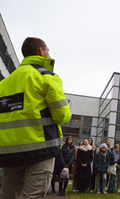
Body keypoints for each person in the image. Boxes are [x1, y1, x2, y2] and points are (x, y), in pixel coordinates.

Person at [0, 37, 71, 198]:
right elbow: (61, 115)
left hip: (8, 154)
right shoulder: (47, 77)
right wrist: (68, 113)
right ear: (41, 51)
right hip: (39, 152)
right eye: (47, 50)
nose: (48, 54)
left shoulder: (4, 83)